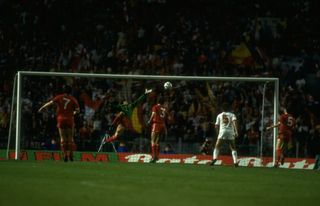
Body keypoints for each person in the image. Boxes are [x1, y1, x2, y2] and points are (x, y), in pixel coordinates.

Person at [38, 85, 80, 162]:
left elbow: (50, 103)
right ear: (70, 91)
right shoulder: (73, 99)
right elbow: (78, 110)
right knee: (70, 138)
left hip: (61, 119)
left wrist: (42, 108)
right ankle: (70, 154)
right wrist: (72, 113)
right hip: (70, 119)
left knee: (62, 138)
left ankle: (64, 155)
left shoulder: (59, 97)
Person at [210, 102, 239, 167]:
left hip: (222, 131)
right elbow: (235, 122)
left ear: (222, 109)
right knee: (233, 147)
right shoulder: (232, 115)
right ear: (229, 108)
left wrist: (218, 134)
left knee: (217, 146)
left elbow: (216, 126)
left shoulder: (219, 115)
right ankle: (235, 162)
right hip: (230, 131)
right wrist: (236, 131)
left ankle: (214, 158)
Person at [147, 98, 167, 163]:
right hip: (162, 125)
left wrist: (149, 121)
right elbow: (165, 117)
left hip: (156, 124)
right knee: (157, 142)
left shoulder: (155, 107)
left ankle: (153, 157)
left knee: (152, 140)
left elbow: (153, 114)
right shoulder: (164, 108)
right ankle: (157, 157)